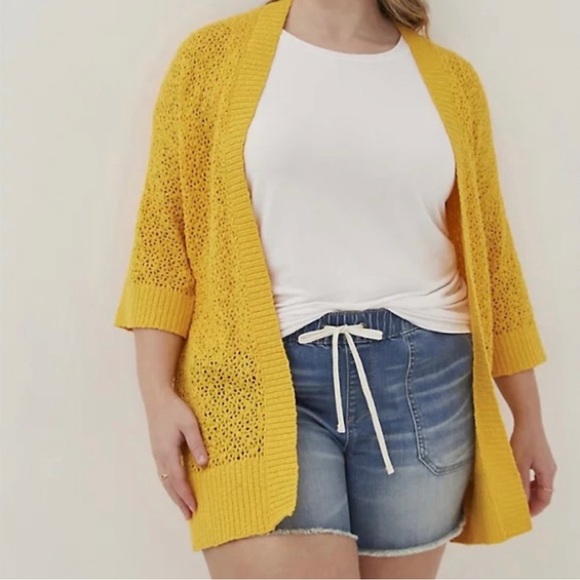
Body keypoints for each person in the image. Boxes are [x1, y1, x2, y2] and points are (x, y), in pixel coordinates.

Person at [114, 0, 557, 578]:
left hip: (426, 386)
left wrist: (528, 416)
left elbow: (492, 256)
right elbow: (164, 239)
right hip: (257, 381)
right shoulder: (211, 60)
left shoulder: (453, 81)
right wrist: (156, 395)